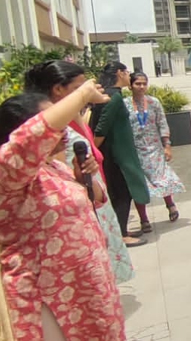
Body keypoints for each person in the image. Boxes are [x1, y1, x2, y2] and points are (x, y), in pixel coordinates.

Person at [0, 83, 125, 340]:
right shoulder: (3, 172)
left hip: (86, 291)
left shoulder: (54, 168)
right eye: (58, 124)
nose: (64, 131)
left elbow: (95, 200)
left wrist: (84, 179)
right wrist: (81, 96)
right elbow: (29, 139)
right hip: (48, 298)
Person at [24, 60, 134, 284]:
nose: (88, 93)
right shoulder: (49, 132)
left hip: (91, 199)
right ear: (58, 90)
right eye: (79, 89)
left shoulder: (72, 120)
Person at [92, 62, 150, 247]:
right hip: (115, 154)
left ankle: (121, 229)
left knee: (122, 192)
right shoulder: (114, 97)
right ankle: (121, 234)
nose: (128, 76)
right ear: (119, 73)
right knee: (121, 193)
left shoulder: (108, 94)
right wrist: (94, 152)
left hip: (115, 152)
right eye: (126, 72)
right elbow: (101, 129)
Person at [125, 72, 184, 231]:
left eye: (144, 83)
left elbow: (162, 124)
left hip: (154, 148)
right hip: (135, 150)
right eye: (138, 83)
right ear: (130, 85)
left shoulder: (153, 102)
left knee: (162, 178)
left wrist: (167, 145)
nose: (141, 87)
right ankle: (143, 219)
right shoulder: (125, 104)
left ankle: (170, 205)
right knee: (139, 183)